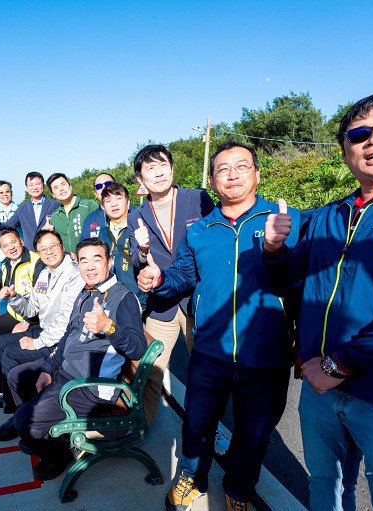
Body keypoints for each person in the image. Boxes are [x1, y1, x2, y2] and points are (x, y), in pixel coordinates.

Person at [263, 90, 373, 511]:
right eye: (358, 134)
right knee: (326, 491)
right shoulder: (330, 214)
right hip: (322, 391)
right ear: (344, 150)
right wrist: (274, 251)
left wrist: (341, 364)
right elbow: (293, 282)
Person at [138, 141, 301, 511]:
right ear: (211, 180)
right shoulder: (201, 229)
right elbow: (183, 274)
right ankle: (192, 479)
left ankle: (239, 489)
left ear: (257, 174)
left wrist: (277, 252)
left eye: (241, 166)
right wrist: (159, 279)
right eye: (222, 169)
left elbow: (301, 284)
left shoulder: (284, 221)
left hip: (266, 354)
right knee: (197, 424)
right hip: (210, 349)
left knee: (254, 431)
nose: (232, 174)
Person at [10, 237, 148, 480]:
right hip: (66, 372)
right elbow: (68, 336)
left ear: (109, 262)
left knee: (25, 422)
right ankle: (45, 433)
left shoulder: (123, 298)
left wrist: (110, 327)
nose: (90, 266)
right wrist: (47, 367)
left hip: (90, 386)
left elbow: (137, 348)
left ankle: (61, 453)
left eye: (97, 259)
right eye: (83, 260)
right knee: (18, 378)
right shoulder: (85, 292)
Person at [128, 144, 215, 424]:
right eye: (150, 169)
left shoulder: (198, 199)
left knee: (204, 372)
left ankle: (209, 428)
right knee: (150, 369)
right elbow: (138, 262)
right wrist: (143, 255)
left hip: (197, 300)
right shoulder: (137, 216)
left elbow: (215, 242)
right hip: (162, 304)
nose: (158, 172)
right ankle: (144, 423)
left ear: (172, 168)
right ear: (140, 179)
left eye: (162, 165)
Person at [0, 230, 84, 440]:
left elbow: (65, 322)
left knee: (12, 354)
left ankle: (23, 415)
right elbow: (32, 307)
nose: (49, 252)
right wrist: (14, 298)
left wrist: (37, 342)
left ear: (62, 246)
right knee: (1, 342)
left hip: (60, 340)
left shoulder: (74, 275)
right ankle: (11, 403)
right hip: (45, 329)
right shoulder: (45, 274)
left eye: (53, 246)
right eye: (43, 249)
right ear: (39, 253)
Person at [0, 227, 41, 389]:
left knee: (8, 342)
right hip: (15, 313)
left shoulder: (36, 261)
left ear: (21, 241)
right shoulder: (6, 263)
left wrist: (26, 322)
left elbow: (41, 298)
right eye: (5, 245)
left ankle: (12, 387)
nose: (10, 247)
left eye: (13, 242)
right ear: (1, 249)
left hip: (34, 316)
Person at [95, 182, 146, 307]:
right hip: (111, 302)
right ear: (102, 206)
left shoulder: (140, 230)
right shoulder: (102, 233)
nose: (114, 204)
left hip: (140, 300)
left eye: (118, 198)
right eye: (108, 201)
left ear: (128, 204)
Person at [0, 172, 58, 251]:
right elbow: (7, 226)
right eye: (31, 185)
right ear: (27, 189)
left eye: (37, 184)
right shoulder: (22, 208)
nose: (34, 187)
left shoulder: (55, 205)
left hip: (51, 252)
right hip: (31, 254)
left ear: (43, 185)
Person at [46, 172, 99, 253]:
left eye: (63, 184)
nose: (61, 189)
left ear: (70, 186)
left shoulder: (89, 205)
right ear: (53, 194)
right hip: (68, 262)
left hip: (91, 258)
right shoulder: (55, 216)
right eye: (56, 187)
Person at [0, 180, 20, 315]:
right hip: (0, 258)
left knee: (19, 289)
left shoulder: (20, 209)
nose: (5, 194)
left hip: (17, 257)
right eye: (1, 192)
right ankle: (3, 316)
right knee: (1, 291)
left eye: (7, 191)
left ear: (12, 192)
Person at [81, 172, 117, 239]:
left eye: (108, 183)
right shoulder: (90, 219)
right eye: (99, 186)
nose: (104, 187)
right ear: (95, 193)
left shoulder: (130, 212)